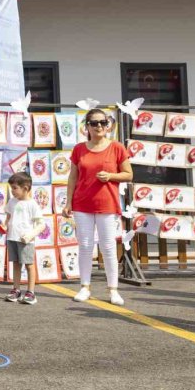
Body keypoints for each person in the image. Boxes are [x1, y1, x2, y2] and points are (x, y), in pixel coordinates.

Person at [63, 108, 133, 306]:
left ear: (108, 125)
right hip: (82, 203)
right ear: (87, 126)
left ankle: (113, 289)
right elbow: (73, 177)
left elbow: (128, 174)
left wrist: (111, 176)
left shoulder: (117, 147)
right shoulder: (79, 149)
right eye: (94, 123)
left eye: (103, 122)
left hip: (107, 202)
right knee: (85, 246)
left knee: (108, 246)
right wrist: (68, 202)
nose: (99, 126)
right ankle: (85, 286)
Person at [5, 172, 45, 305]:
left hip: (26, 240)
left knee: (29, 265)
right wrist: (2, 227)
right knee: (16, 263)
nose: (12, 191)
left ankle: (31, 292)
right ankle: (16, 289)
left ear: (26, 188)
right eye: (11, 188)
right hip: (12, 237)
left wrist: (30, 235)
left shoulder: (32, 204)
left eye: (15, 188)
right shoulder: (11, 201)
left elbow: (41, 224)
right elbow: (8, 217)